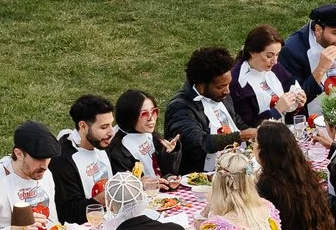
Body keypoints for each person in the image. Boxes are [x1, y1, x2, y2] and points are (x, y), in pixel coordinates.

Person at [164, 46, 248, 174]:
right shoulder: (180, 108)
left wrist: (256, 132)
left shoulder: (221, 96)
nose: (227, 91)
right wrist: (240, 136)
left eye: (228, 84)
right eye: (221, 86)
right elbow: (199, 144)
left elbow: (236, 122)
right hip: (198, 177)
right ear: (202, 86)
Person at [279, 3, 336, 103]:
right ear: (318, 30)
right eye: (335, 32)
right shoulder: (291, 50)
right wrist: (320, 69)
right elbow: (295, 101)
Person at [51, 94, 118, 222]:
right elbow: (69, 213)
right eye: (104, 127)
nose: (111, 132)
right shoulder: (63, 161)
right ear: (83, 126)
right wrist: (101, 199)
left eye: (111, 124)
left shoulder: (103, 143)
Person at [229, 24, 309, 128]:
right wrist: (277, 110)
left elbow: (292, 110)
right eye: (269, 56)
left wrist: (297, 105)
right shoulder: (237, 81)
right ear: (252, 52)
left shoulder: (276, 69)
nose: (275, 61)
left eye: (277, 54)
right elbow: (246, 127)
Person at [113, 87, 181, 180]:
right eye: (144, 114)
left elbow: (166, 174)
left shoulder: (150, 135)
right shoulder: (118, 150)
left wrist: (170, 154)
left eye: (154, 111)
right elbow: (128, 187)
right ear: (129, 116)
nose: (151, 118)